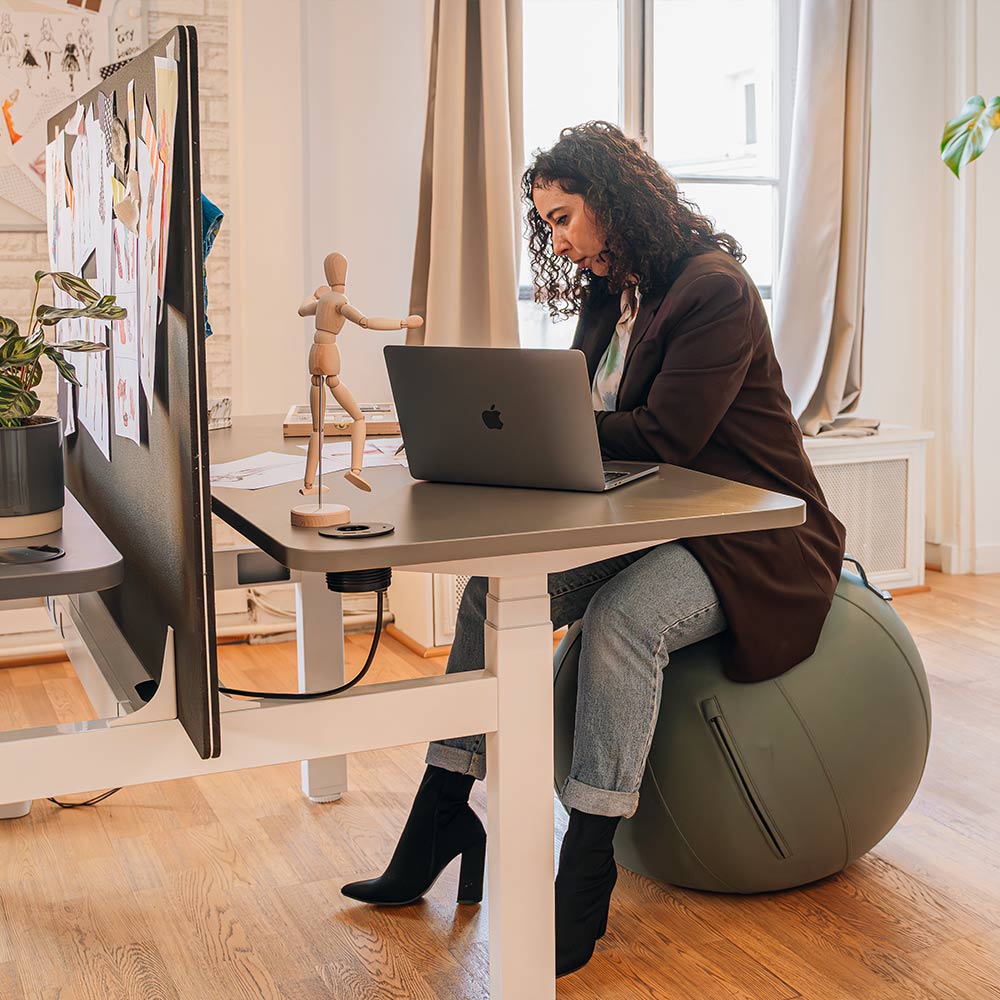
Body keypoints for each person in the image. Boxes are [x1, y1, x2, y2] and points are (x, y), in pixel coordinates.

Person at [340, 121, 847, 978]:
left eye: (566, 217)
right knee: (486, 593)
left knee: (618, 624)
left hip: (754, 535)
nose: (559, 239)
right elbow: (585, 409)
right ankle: (442, 812)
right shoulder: (615, 289)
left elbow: (671, 434)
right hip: (658, 515)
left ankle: (585, 871)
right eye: (546, 224)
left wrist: (552, 426)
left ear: (616, 201)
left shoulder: (714, 290)